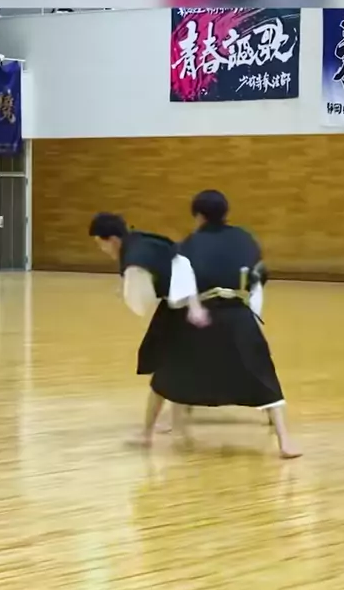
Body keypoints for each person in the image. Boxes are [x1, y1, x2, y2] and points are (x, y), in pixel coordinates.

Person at [150, 190, 302, 459]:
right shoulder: (245, 238)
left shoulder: (190, 244)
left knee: (171, 371)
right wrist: (252, 310)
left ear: (198, 215)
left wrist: (193, 308)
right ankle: (285, 442)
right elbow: (258, 275)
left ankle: (153, 429)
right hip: (238, 315)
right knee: (262, 373)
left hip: (204, 316)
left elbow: (182, 283)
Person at [88, 212, 209, 443]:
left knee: (165, 364)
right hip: (186, 301)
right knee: (174, 363)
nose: (102, 250)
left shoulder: (134, 258)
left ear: (112, 239)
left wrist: (129, 289)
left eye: (100, 244)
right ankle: (173, 423)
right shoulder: (140, 240)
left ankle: (147, 434)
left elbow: (141, 303)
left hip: (184, 305)